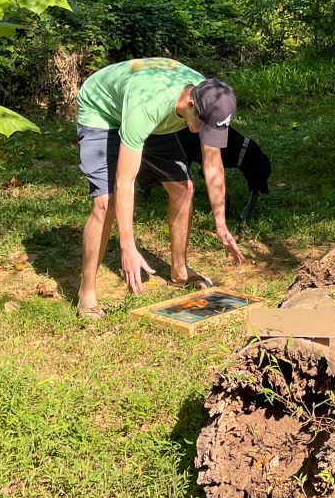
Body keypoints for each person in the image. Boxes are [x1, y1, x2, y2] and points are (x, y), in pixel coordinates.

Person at [75, 57, 246, 318]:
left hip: (156, 118)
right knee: (105, 202)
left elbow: (213, 165)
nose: (205, 133)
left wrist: (220, 223)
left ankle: (180, 271)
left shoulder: (209, 99)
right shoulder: (148, 105)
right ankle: (86, 295)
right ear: (190, 105)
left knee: (183, 188)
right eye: (204, 126)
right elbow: (125, 180)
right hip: (103, 111)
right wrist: (127, 246)